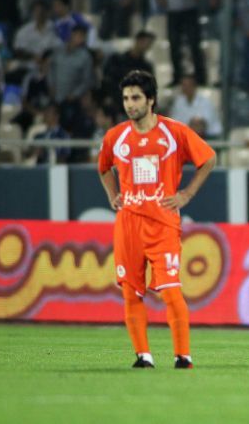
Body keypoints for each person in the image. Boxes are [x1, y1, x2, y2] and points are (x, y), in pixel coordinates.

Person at [98, 70, 216, 369]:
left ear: (150, 100)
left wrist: (187, 194)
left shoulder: (173, 132)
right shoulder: (115, 136)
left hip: (162, 223)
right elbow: (103, 168)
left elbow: (208, 158)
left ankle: (182, 356)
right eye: (126, 98)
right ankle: (143, 356)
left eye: (136, 97)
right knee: (131, 291)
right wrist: (113, 195)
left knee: (170, 290)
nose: (130, 104)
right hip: (128, 224)